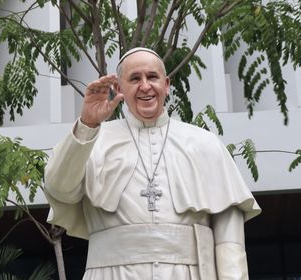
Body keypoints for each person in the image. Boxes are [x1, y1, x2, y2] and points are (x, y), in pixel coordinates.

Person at [44, 47, 261, 280]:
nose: (145, 86)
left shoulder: (205, 144)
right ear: (119, 88)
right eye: (135, 78)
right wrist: (87, 124)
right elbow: (59, 190)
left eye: (152, 77)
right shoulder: (93, 140)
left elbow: (230, 240)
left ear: (166, 84)